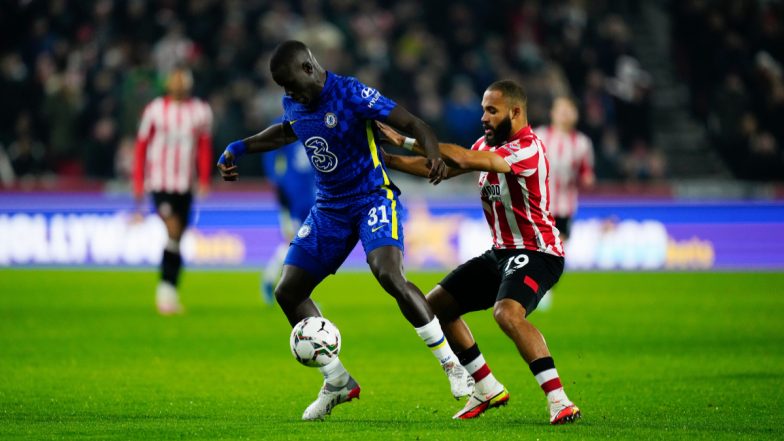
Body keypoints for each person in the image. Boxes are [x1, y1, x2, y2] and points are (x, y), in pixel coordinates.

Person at [216, 41, 473, 420]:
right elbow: (286, 132)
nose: (288, 94)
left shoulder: (351, 93)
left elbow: (414, 124)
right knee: (288, 290)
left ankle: (453, 365)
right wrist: (239, 146)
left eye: (290, 85)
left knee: (389, 274)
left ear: (308, 68)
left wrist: (432, 153)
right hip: (330, 208)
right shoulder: (296, 102)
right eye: (282, 89)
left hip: (372, 197)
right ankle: (337, 380)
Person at [380, 79, 581, 425]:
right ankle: (486, 386)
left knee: (506, 313)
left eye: (492, 110)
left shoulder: (527, 149)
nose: (484, 117)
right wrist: (387, 160)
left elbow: (460, 156)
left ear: (515, 112)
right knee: (434, 307)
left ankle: (559, 400)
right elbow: (439, 167)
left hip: (539, 252)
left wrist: (404, 140)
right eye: (483, 109)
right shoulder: (486, 146)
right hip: (501, 253)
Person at [133, 66, 213, 315]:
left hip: (185, 184)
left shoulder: (200, 111)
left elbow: (204, 145)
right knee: (173, 229)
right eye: (174, 78)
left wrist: (204, 177)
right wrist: (138, 182)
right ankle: (165, 292)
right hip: (160, 182)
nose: (178, 83)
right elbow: (142, 146)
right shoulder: (155, 110)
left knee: (177, 239)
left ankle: (169, 290)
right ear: (168, 83)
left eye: (182, 79)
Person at [534, 96, 595, 310]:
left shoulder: (582, 143)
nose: (565, 114)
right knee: (536, 249)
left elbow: (587, 174)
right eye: (561, 109)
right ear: (553, 113)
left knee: (556, 252)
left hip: (565, 206)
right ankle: (533, 288)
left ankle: (545, 288)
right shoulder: (539, 136)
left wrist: (586, 179)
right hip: (538, 206)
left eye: (569, 110)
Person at [260, 122, 316, 304]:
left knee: (301, 243)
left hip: (310, 193)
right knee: (298, 242)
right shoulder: (285, 124)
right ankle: (276, 283)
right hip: (293, 195)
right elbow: (270, 155)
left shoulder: (315, 121)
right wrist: (278, 182)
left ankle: (274, 281)